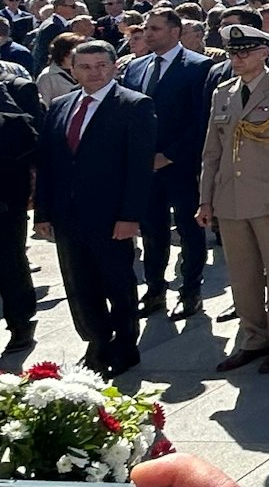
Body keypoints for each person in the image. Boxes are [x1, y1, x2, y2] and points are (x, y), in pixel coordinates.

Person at [195, 24, 269, 374]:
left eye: (245, 52)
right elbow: (211, 152)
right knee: (242, 273)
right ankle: (253, 337)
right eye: (233, 53)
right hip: (230, 198)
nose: (237, 58)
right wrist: (206, 199)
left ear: (264, 53)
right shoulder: (223, 92)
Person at [35, 39, 156, 376]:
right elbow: (49, 163)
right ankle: (97, 341)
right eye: (85, 67)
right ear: (72, 70)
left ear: (114, 66)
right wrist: (43, 213)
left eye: (101, 66)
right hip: (67, 216)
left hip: (112, 216)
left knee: (117, 282)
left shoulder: (134, 105)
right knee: (79, 283)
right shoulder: (61, 105)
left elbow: (138, 168)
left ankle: (125, 345)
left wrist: (130, 217)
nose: (94, 73)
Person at [124, 7, 215, 322]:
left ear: (175, 31)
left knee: (190, 230)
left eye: (156, 29)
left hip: (182, 165)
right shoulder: (135, 68)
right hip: (144, 167)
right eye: (146, 28)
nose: (148, 34)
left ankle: (190, 291)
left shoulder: (199, 67)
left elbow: (200, 121)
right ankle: (154, 290)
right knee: (152, 231)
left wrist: (170, 154)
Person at [0, 61, 42, 353]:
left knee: (8, 260)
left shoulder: (14, 87)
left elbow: (28, 138)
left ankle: (20, 323)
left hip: (5, 195)